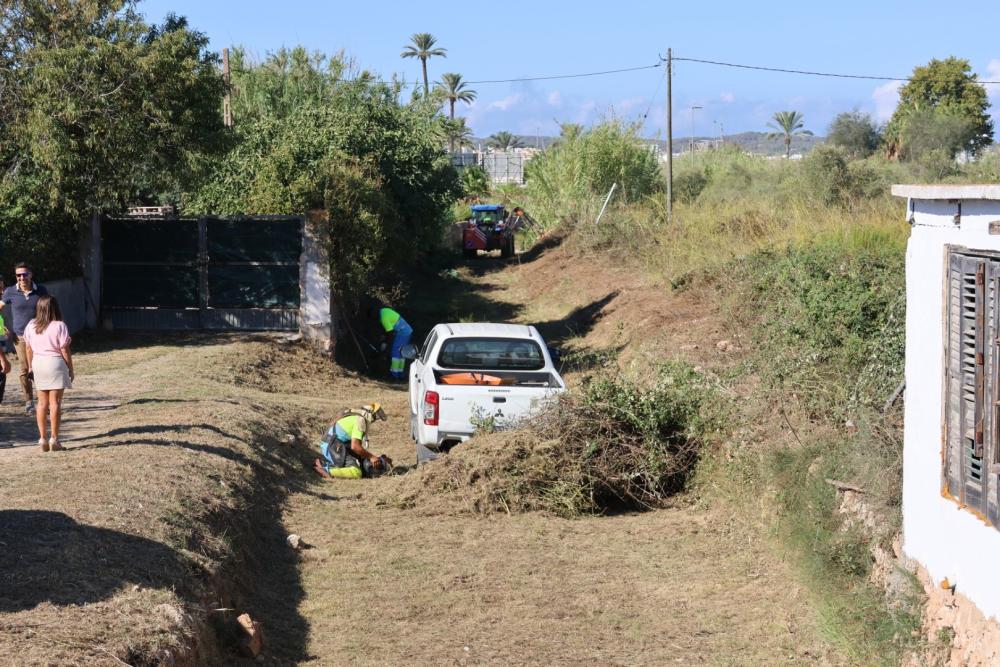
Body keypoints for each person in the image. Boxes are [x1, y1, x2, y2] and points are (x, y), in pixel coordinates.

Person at [23, 295, 73, 452]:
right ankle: (55, 439)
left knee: (41, 403)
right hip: (55, 362)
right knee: (55, 403)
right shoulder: (60, 325)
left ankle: (42, 438)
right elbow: (64, 349)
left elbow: (28, 348)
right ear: (55, 308)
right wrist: (70, 368)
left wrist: (30, 367)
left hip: (38, 363)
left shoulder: (31, 325)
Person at [0, 263, 49, 415]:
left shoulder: (40, 290)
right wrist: (1, 327)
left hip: (39, 335)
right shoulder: (10, 292)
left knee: (41, 367)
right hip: (20, 337)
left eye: (24, 274)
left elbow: (49, 309)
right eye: (18, 275)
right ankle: (29, 402)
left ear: (31, 274)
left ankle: (44, 400)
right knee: (25, 368)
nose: (22, 277)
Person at [314, 404, 392, 479]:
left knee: (361, 459)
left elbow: (359, 451)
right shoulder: (360, 421)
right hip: (332, 445)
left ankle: (322, 463)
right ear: (369, 415)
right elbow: (355, 447)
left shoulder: (355, 417)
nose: (373, 420)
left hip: (332, 444)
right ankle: (326, 470)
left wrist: (378, 459)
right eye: (374, 417)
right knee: (356, 472)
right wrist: (371, 457)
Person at [372, 305, 413, 379]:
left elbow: (390, 334)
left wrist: (386, 348)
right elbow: (388, 330)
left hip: (402, 332)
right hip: (406, 330)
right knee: (402, 352)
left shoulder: (384, 318)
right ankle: (400, 374)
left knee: (395, 352)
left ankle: (394, 375)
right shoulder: (383, 310)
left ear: (375, 315)